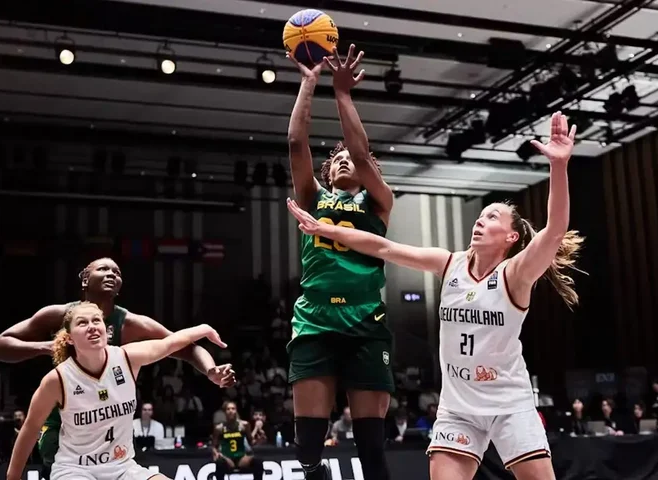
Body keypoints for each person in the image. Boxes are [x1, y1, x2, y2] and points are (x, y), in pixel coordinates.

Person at [287, 112, 582, 480]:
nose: (480, 220)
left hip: (509, 403)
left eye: (491, 217)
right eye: (481, 215)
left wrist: (558, 167)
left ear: (511, 238)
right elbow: (384, 247)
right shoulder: (449, 264)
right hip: (458, 407)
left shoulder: (516, 273)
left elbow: (555, 231)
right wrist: (325, 229)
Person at [0, 257, 235, 477]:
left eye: (116, 272)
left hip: (112, 418)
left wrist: (211, 370)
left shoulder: (130, 325)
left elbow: (182, 345)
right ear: (85, 279)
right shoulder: (59, 317)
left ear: (108, 331)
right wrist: (47, 347)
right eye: (103, 269)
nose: (111, 274)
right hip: (65, 419)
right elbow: (0, 347)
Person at [286, 43, 395, 480]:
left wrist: (344, 95)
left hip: (366, 323)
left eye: (354, 159)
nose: (348, 160)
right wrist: (309, 82)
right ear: (329, 173)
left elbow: (362, 153)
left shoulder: (380, 202)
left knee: (372, 448)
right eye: (339, 160)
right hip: (315, 322)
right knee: (308, 447)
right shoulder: (314, 199)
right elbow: (296, 143)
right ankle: (316, 472)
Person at [211, 401, 264, 480]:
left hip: (241, 457)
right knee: (220, 463)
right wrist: (216, 453)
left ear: (236, 411)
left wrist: (259, 440)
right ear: (225, 412)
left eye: (233, 408)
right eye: (228, 409)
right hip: (227, 458)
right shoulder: (219, 428)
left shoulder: (244, 425)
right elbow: (214, 446)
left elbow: (251, 442)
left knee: (258, 462)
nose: (231, 411)